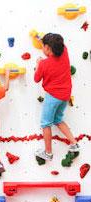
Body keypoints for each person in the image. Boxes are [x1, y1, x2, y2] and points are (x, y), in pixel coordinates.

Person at [34, 33, 80, 162]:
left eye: (43, 46)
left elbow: (36, 79)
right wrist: (41, 39)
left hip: (53, 97)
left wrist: (38, 64)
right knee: (58, 119)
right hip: (65, 95)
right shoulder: (64, 51)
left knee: (45, 123)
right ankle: (74, 143)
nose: (42, 49)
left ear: (48, 48)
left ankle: (48, 153)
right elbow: (59, 44)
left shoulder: (44, 64)